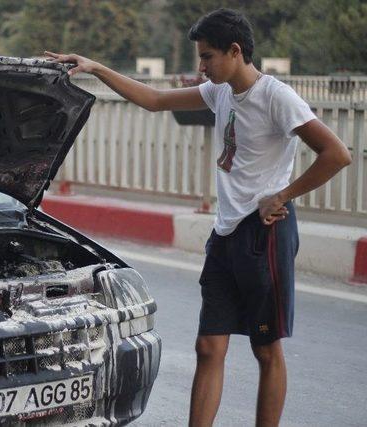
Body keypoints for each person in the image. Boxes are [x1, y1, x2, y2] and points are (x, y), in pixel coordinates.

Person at [45, 8, 351, 427]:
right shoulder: (219, 92)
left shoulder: (275, 96)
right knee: (208, 346)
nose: (201, 66)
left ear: (235, 51)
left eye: (207, 57)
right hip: (225, 235)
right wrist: (96, 68)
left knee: (266, 349)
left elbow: (337, 154)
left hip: (265, 234)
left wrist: (283, 194)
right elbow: (153, 100)